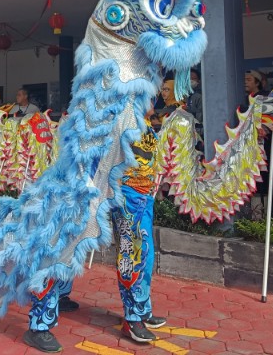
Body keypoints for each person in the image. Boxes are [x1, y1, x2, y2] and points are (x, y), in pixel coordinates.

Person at [24, 127, 167, 352]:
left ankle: (138, 313)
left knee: (139, 253)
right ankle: (40, 324)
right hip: (93, 185)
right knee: (62, 244)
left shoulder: (144, 122)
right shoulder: (107, 108)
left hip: (136, 194)